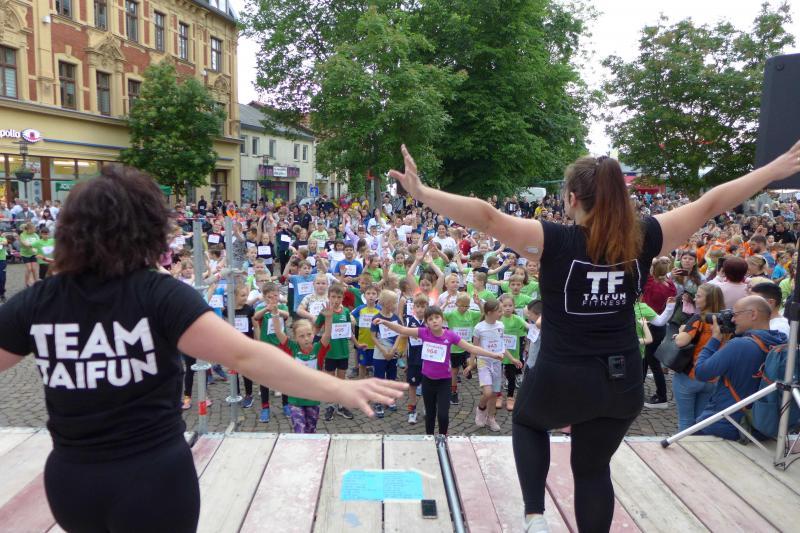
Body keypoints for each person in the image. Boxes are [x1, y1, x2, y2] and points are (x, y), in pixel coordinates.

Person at [387, 140, 800, 532]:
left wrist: (422, 193)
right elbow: (710, 203)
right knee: (592, 470)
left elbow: (487, 216)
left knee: (528, 421)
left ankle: (535, 514)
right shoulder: (645, 236)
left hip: (562, 373)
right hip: (622, 381)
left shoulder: (555, 239)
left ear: (571, 198)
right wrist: (771, 170)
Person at [0, 166, 406, 533]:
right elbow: (245, 356)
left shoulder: (38, 301)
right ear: (148, 229)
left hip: (73, 482)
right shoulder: (160, 295)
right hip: (152, 479)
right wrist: (339, 388)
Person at [373, 306, 506, 435]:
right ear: (427, 323)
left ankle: (443, 436)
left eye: (437, 317)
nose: (434, 321)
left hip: (444, 382)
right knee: (430, 414)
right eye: (430, 319)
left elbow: (471, 348)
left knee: (443, 415)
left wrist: (493, 355)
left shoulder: (450, 335)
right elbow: (402, 329)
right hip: (427, 381)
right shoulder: (424, 332)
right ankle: (430, 437)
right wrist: (385, 322)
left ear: (442, 319)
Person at [694, 296, 786, 440]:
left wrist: (714, 339)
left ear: (753, 314)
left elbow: (701, 372)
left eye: (735, 314)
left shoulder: (739, 345)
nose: (732, 319)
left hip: (725, 424)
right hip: (762, 428)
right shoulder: (782, 344)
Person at [672, 283, 725, 431]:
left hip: (691, 374)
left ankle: (684, 445)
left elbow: (681, 342)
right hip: (712, 377)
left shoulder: (698, 319)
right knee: (700, 420)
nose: (695, 299)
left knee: (685, 420)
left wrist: (681, 331)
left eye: (699, 296)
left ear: (709, 300)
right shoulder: (725, 322)